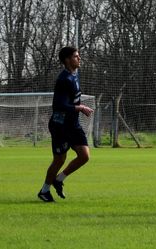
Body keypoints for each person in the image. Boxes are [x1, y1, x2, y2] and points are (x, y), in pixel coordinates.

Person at [39, 46, 95, 202]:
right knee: (59, 160)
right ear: (67, 60)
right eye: (76, 56)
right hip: (60, 126)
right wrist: (81, 107)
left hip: (73, 124)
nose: (79, 58)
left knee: (84, 156)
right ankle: (44, 191)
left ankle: (59, 179)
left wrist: (79, 106)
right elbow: (59, 106)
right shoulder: (64, 79)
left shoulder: (74, 75)